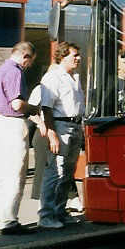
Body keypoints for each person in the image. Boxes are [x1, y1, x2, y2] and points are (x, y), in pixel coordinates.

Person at [0, 41, 39, 234]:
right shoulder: (16, 72)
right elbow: (17, 105)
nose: (29, 65)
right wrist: (34, 108)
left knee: (0, 174)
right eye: (30, 61)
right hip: (13, 125)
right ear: (25, 57)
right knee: (15, 175)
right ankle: (8, 221)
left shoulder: (0, 70)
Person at [37, 42, 85, 229]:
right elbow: (47, 108)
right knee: (55, 172)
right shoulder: (53, 77)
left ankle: (59, 211)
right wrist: (52, 134)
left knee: (67, 173)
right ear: (62, 56)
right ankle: (46, 215)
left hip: (74, 125)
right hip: (60, 125)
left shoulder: (74, 77)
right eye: (74, 55)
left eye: (78, 55)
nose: (78, 58)